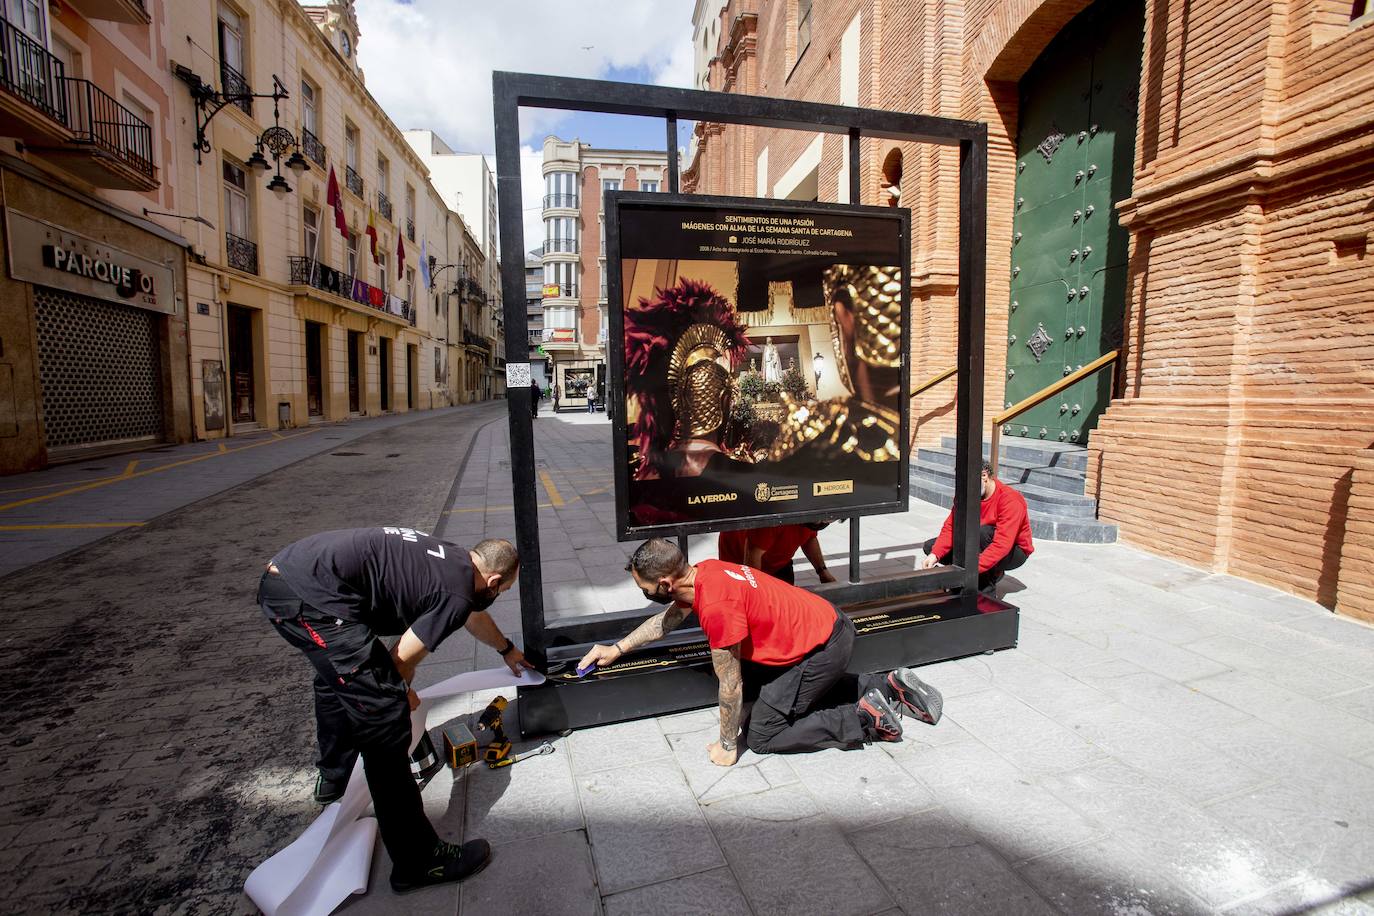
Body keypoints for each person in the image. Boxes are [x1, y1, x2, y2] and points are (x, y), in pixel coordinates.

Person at [258, 529, 533, 893]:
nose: (497, 596)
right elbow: (402, 656)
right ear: (494, 580)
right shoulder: (456, 591)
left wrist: (506, 648)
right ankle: (419, 862)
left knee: (336, 677)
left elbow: (471, 613)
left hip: (293, 574)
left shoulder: (456, 561)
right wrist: (398, 692)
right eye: (502, 590)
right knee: (386, 718)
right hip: (309, 600)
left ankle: (335, 777)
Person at [578, 539, 943, 765]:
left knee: (763, 734)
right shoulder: (705, 572)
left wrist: (726, 745)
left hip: (822, 648)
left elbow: (731, 685)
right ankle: (888, 684)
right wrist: (618, 648)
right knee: (775, 693)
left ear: (665, 583)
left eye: (644, 588)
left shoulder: (717, 606)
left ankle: (864, 720)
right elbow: (669, 619)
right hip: (828, 626)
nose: (644, 593)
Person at [922, 461, 1034, 591]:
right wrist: (935, 555)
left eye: (968, 483)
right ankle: (972, 575)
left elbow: (1002, 544)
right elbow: (951, 527)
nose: (965, 488)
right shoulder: (966, 496)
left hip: (1014, 551)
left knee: (981, 533)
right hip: (980, 541)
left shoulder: (1010, 499)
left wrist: (971, 570)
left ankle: (985, 582)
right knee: (931, 546)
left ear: (984, 476)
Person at [718, 522, 837, 585]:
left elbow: (810, 539)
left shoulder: (811, 522)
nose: (823, 522)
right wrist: (755, 588)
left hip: (779, 563)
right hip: (738, 561)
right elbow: (753, 554)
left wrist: (822, 571)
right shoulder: (774, 521)